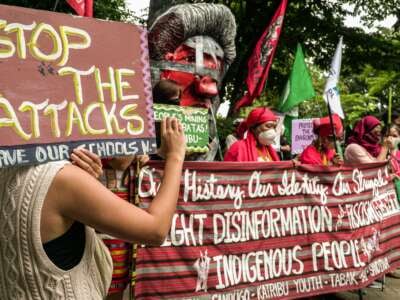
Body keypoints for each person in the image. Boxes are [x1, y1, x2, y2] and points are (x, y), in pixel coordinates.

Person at [0, 117, 185, 300]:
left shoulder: (8, 171)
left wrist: (85, 182)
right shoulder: (63, 180)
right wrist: (175, 157)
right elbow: (155, 230)